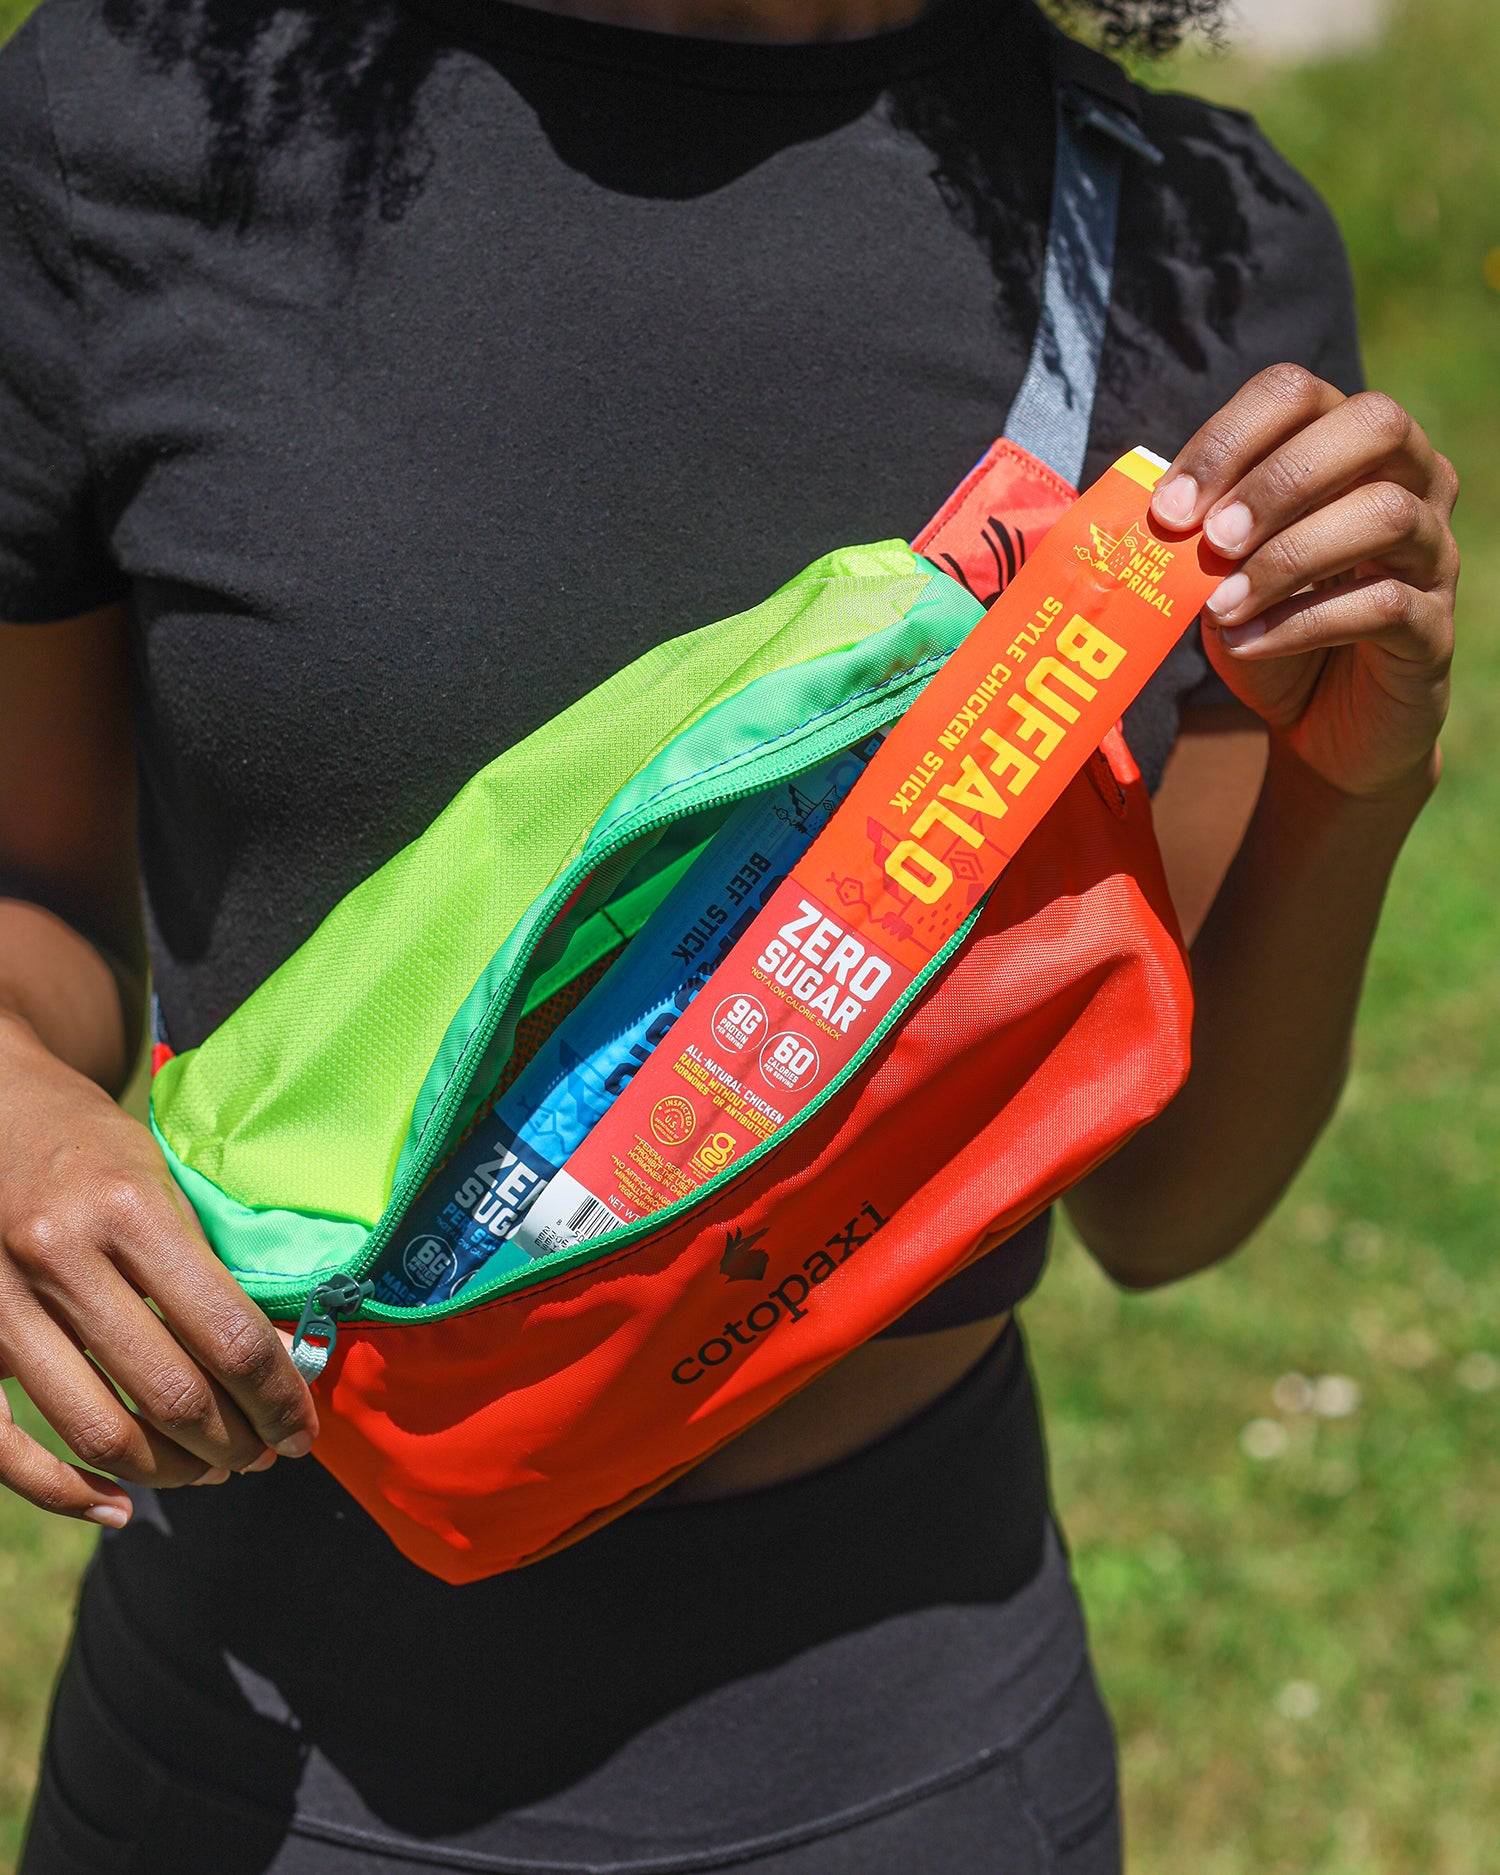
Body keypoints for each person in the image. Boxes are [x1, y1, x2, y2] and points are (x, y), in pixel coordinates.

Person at [0, 0, 1455, 1865]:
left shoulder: (1189, 247)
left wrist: (1358, 781)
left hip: (912, 1765)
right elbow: (37, 895)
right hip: (251, 1761)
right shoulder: (122, 138)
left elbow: (1164, 1207)